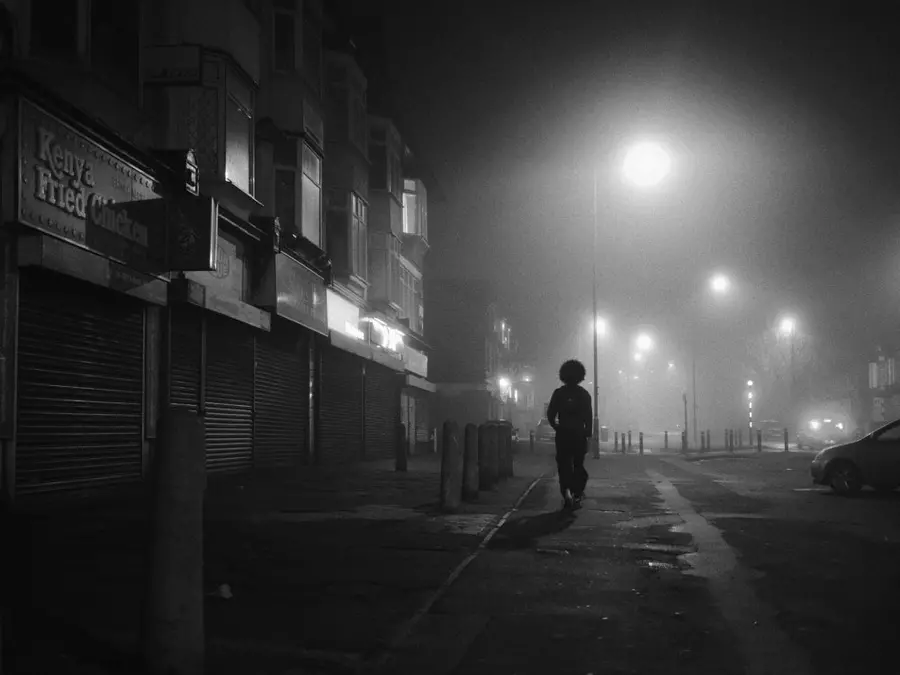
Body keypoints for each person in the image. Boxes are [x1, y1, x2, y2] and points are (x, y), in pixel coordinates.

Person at [546, 359, 593, 510]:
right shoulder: (584, 394)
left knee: (563, 464)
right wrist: (588, 432)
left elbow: (551, 414)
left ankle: (565, 491)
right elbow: (588, 416)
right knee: (578, 465)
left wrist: (557, 427)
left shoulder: (559, 393)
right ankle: (577, 492)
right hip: (579, 435)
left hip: (563, 435)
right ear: (581, 376)